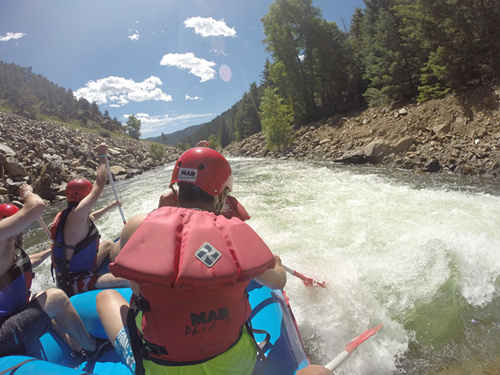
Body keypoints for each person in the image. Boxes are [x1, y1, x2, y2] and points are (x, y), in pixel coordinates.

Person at [96, 147, 286, 375]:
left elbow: (132, 281)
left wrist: (161, 215)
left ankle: (121, 355)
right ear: (223, 193)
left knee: (105, 297)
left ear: (176, 187)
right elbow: (278, 282)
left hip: (163, 368)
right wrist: (276, 262)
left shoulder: (136, 227)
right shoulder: (237, 232)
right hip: (236, 364)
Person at [0, 184, 98, 357]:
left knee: (40, 298)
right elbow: (36, 207)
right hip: (3, 337)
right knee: (55, 297)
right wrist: (27, 193)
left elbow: (28, 261)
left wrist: (50, 251)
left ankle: (76, 348)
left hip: (11, 318)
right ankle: (92, 348)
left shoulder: (10, 249)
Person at [50, 143, 129, 297]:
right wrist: (101, 157)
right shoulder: (77, 215)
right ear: (85, 197)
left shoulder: (70, 215)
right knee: (129, 279)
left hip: (79, 270)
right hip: (75, 282)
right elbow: (99, 184)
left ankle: (120, 265)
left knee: (107, 244)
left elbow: (93, 216)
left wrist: (111, 206)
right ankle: (123, 273)